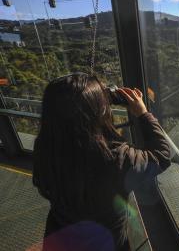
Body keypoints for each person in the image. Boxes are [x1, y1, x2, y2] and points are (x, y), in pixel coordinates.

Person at [32, 73, 171, 250]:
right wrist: (143, 113)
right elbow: (162, 155)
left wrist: (95, 101)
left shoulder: (45, 148)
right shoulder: (116, 158)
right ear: (99, 111)